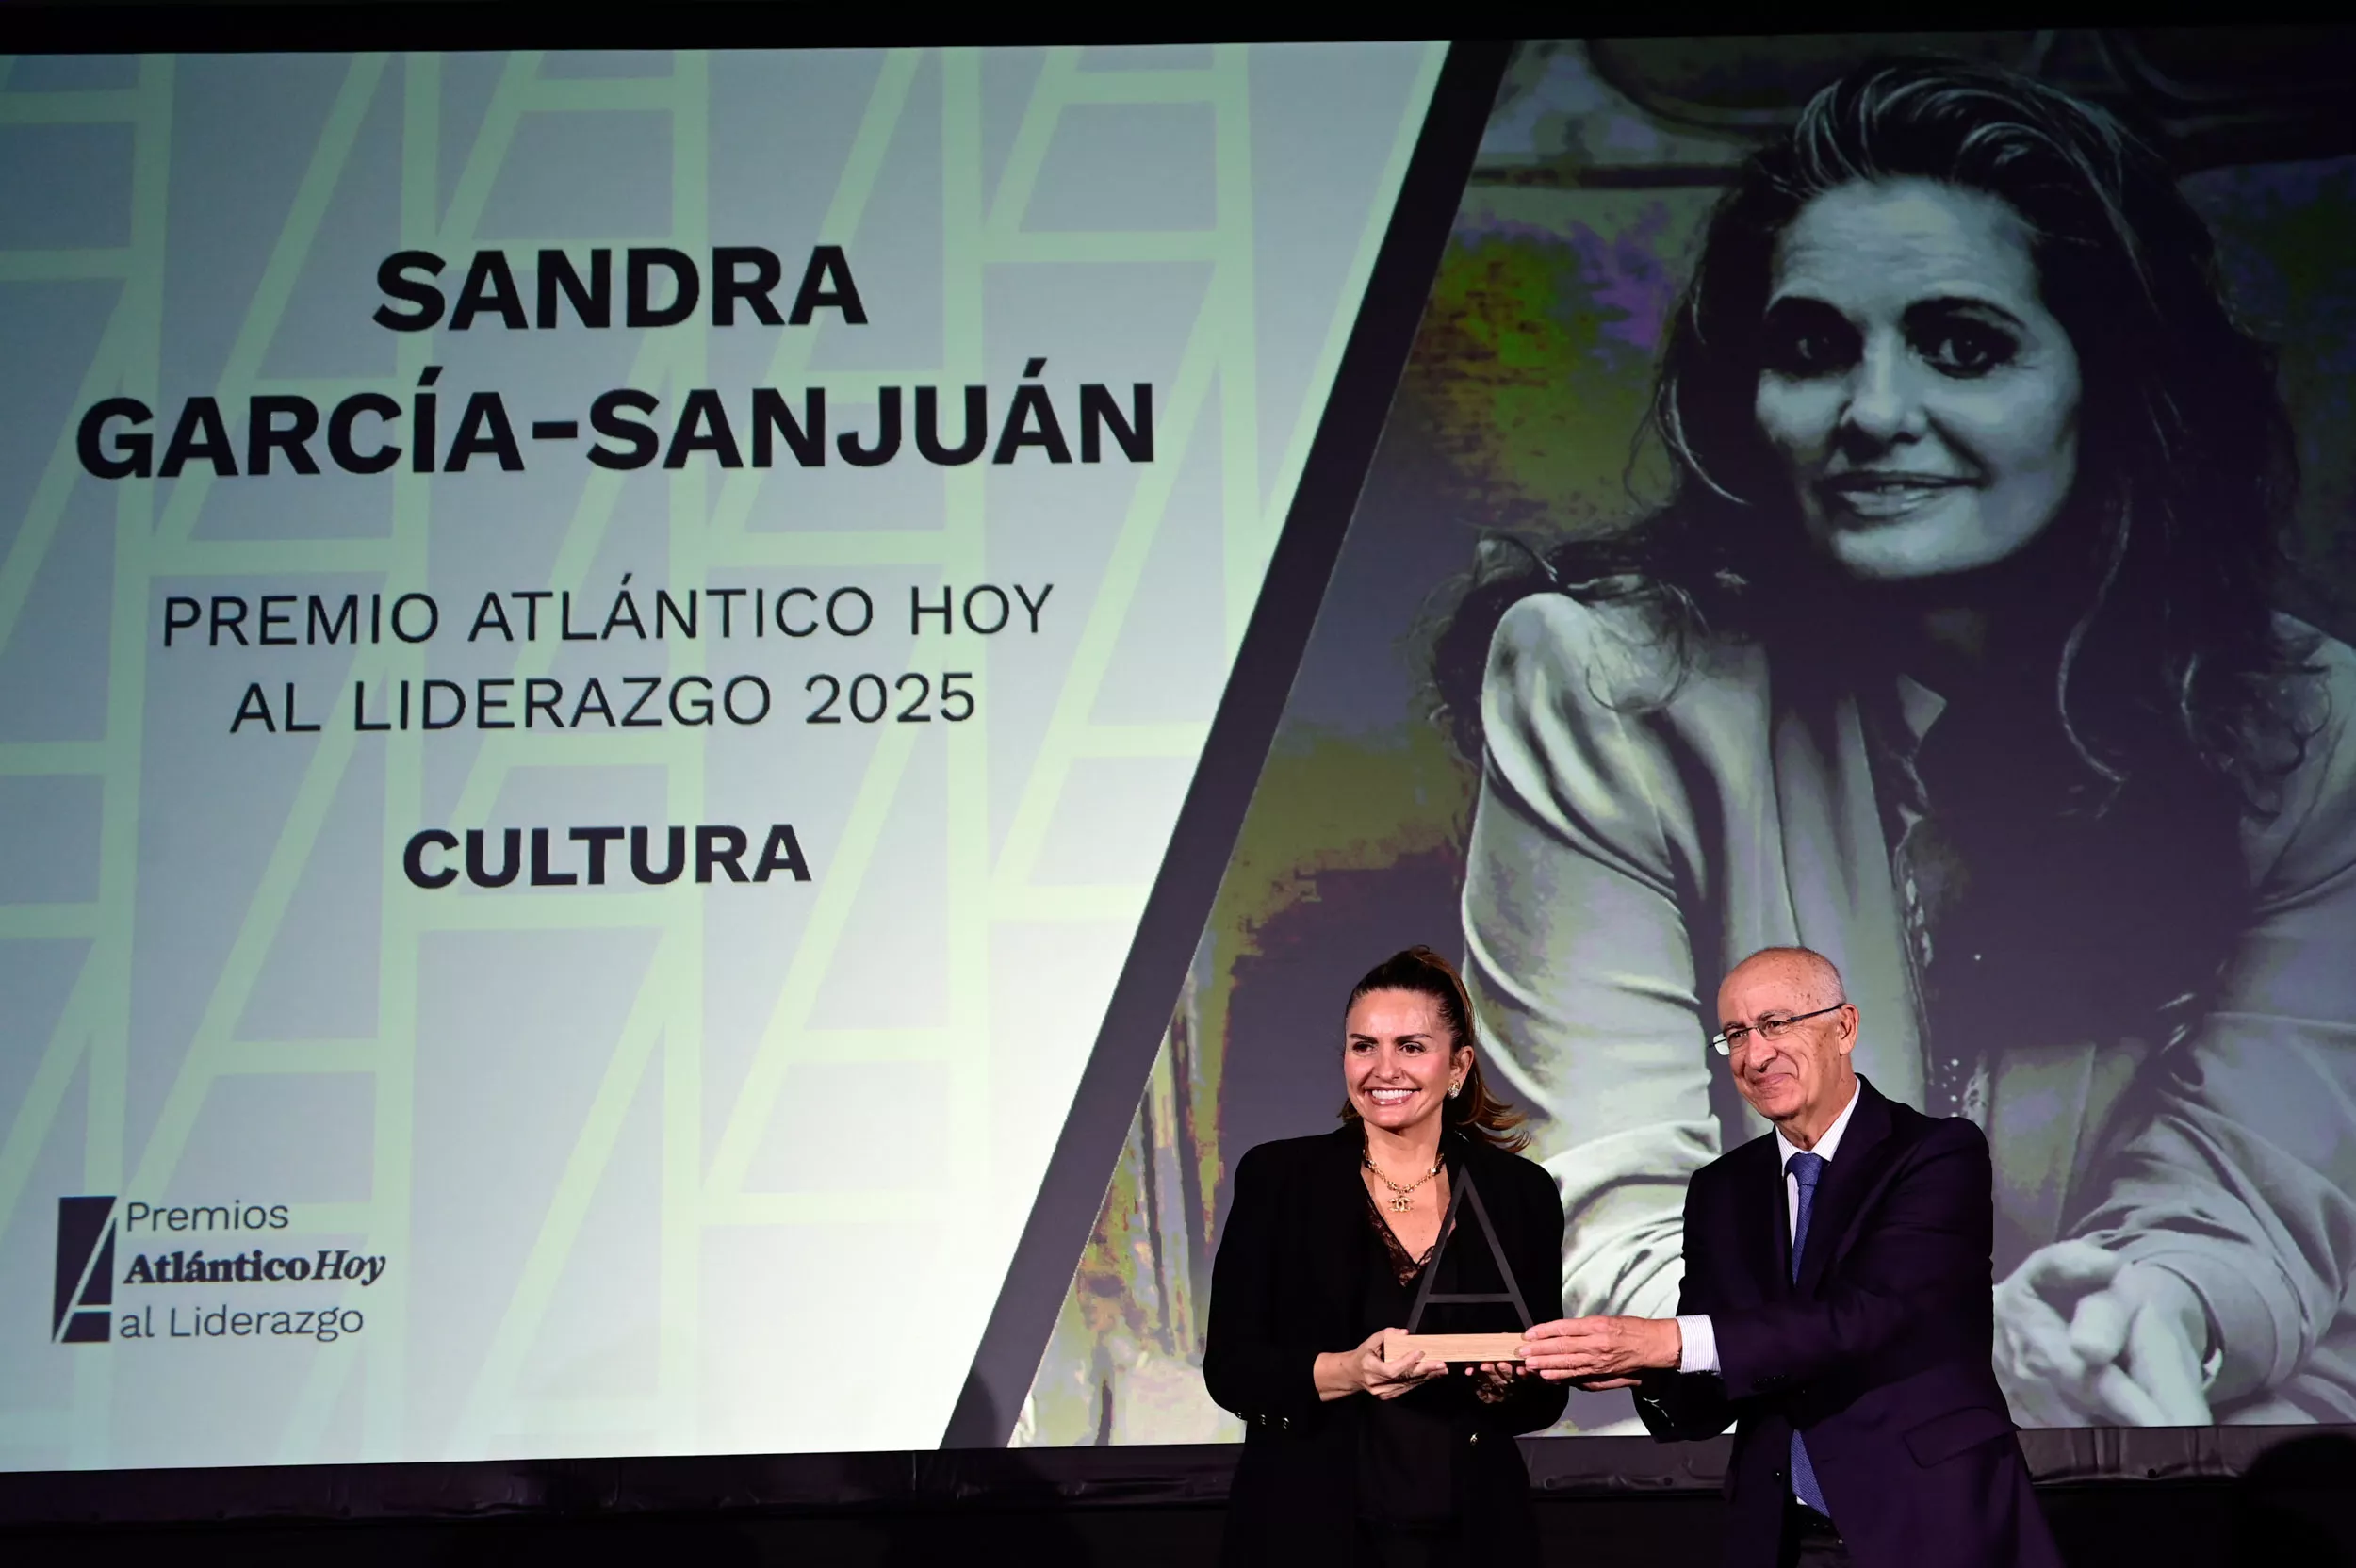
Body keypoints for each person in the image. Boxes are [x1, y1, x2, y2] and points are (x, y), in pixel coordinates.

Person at [1437, 55, 2356, 1425]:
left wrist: (2146, 1312)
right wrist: (1949, 1352)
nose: (1872, 412)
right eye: (1811, 348)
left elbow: (2255, 1205)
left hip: (2169, 1450)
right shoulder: (1609, 689)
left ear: (2107, 388)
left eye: (1964, 345)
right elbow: (1616, 1240)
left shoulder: (2310, 733)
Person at [1519, 946, 2063, 1568]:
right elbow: (1712, 1383)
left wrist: (1665, 1343)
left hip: (1931, 1521)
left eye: (1776, 1025)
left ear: (1845, 1027)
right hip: (1784, 1536)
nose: (1755, 1055)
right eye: (1735, 1035)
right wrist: (1638, 1367)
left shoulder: (1936, 1154)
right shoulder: (1721, 1189)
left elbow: (1868, 1317)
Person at [1203, 946, 1567, 1567]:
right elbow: (1231, 1368)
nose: (1382, 1068)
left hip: (1471, 1536)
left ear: (1459, 1066)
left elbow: (1545, 1392)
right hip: (1306, 1528)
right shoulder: (1279, 1179)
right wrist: (1348, 1371)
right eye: (1363, 1045)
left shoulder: (1519, 1193)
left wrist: (1506, 1386)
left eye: (1411, 1046)